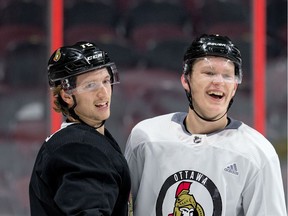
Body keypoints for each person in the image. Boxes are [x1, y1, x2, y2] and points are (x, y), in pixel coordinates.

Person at [124, 34, 287, 216]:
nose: (218, 81)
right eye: (209, 73)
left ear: (234, 87)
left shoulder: (257, 153)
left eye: (227, 75)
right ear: (186, 80)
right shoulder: (146, 137)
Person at [29, 41, 131, 216]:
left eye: (106, 81)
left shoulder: (76, 141)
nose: (103, 93)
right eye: (90, 85)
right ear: (67, 95)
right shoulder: (80, 149)